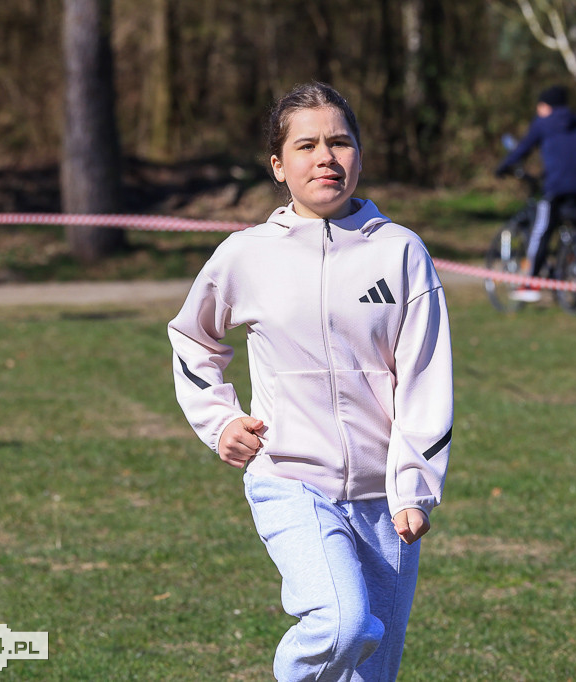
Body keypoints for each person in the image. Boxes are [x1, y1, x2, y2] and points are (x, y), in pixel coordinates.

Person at [168, 82, 453, 681]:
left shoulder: (401, 252)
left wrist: (414, 483)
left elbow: (426, 375)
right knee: (342, 625)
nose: (326, 157)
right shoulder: (245, 256)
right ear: (278, 165)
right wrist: (220, 422)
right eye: (307, 145)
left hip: (387, 503)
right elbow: (193, 339)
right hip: (291, 481)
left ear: (359, 155)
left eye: (340, 142)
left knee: (372, 671)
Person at [495, 85, 576, 302]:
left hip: (557, 189)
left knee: (541, 232)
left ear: (546, 106)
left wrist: (503, 167)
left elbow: (523, 149)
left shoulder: (543, 123)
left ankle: (530, 283)